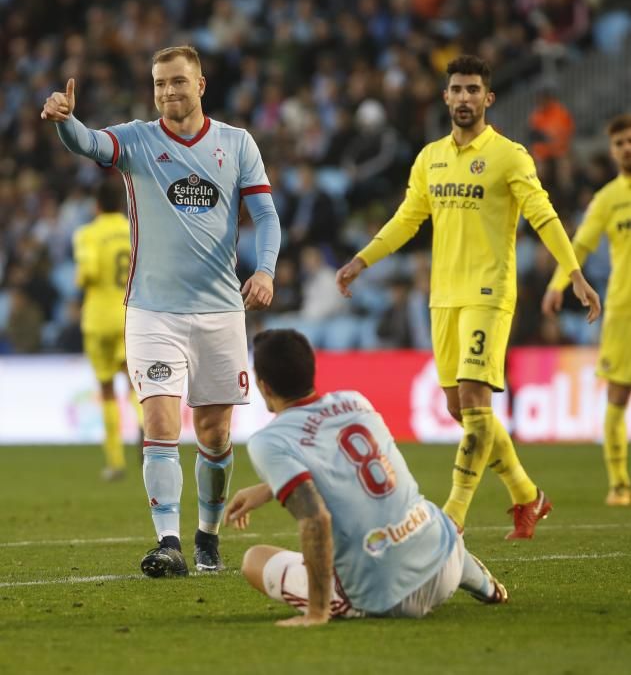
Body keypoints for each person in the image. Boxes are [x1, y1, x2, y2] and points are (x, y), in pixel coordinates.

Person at [335, 55, 601, 539]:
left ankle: (452, 517)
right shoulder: (430, 157)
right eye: (456, 90)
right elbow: (407, 218)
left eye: (473, 90)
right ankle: (527, 495)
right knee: (461, 410)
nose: (464, 98)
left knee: (476, 402)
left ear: (488, 98)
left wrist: (574, 273)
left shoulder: (510, 155)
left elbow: (543, 215)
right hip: (443, 297)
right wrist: (363, 259)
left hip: (488, 293)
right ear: (445, 97)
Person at [41, 45, 281, 576]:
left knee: (215, 435)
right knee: (160, 422)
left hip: (220, 312)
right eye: (159, 83)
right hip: (152, 312)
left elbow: (266, 214)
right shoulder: (136, 139)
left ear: (201, 85)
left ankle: (208, 536)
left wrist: (264, 269)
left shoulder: (237, 144)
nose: (168, 91)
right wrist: (66, 119)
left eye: (177, 81)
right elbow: (86, 143)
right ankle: (168, 541)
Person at [225, 329, 507, 626]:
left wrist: (317, 612)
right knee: (411, 506)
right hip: (447, 554)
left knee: (254, 559)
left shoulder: (269, 441)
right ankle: (480, 581)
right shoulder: (355, 401)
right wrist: (270, 488)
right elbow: (341, 466)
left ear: (264, 386)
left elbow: (316, 519)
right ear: (313, 369)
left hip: (389, 597)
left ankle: (329, 602)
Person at [543, 114, 631, 507]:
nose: (626, 148)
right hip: (624, 312)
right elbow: (577, 246)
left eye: (630, 140)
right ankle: (619, 485)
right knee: (618, 394)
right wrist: (557, 284)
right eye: (619, 143)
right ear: (612, 151)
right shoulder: (608, 199)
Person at [72, 181, 143, 481]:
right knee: (134, 384)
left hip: (97, 319)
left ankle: (115, 462)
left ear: (96, 205)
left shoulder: (87, 234)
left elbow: (85, 275)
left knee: (106, 389)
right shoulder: (133, 230)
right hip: (128, 316)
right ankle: (145, 430)